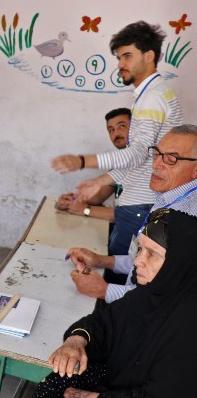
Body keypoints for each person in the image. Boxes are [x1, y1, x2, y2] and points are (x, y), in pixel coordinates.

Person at [12, 208, 197, 398]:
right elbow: (103, 322)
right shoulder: (152, 296)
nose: (138, 262)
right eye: (140, 249)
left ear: (180, 263)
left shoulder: (190, 324)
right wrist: (76, 341)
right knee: (57, 381)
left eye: (152, 254)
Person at [51, 21, 183, 256]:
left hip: (140, 206)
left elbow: (137, 154)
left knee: (118, 272)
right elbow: (140, 159)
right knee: (117, 270)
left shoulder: (152, 98)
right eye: (119, 57)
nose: (121, 64)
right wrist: (100, 182)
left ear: (149, 55)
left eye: (127, 56)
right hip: (136, 204)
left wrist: (83, 161)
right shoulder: (152, 94)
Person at [67, 125, 197, 303]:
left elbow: (167, 300)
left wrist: (104, 290)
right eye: (157, 153)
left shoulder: (186, 218)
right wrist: (103, 261)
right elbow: (145, 263)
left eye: (171, 158)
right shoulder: (167, 198)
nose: (156, 164)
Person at [55, 108, 131, 221]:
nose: (116, 134)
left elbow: (133, 216)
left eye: (121, 126)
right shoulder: (120, 164)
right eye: (111, 130)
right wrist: (71, 201)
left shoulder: (149, 164)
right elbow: (98, 197)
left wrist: (86, 210)